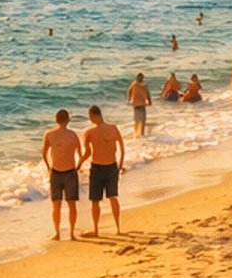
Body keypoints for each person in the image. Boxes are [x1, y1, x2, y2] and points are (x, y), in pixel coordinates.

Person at [81, 105, 124, 237]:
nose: (90, 119)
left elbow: (88, 153)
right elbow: (122, 149)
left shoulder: (89, 132)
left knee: (95, 200)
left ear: (94, 116)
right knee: (113, 197)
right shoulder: (113, 128)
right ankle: (118, 228)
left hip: (97, 168)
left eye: (90, 117)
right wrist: (120, 165)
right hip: (112, 166)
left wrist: (78, 164)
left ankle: (96, 230)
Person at [43, 110, 82, 241]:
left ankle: (57, 233)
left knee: (56, 205)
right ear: (67, 120)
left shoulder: (49, 134)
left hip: (56, 171)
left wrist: (48, 167)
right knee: (72, 204)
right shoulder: (73, 135)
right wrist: (79, 166)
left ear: (56, 119)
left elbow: (44, 152)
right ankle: (71, 233)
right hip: (70, 171)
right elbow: (80, 153)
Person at [127, 73, 151, 137]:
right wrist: (149, 101)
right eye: (141, 78)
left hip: (136, 104)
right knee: (142, 120)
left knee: (137, 120)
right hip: (141, 105)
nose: (142, 79)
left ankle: (136, 133)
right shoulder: (143, 86)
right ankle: (141, 134)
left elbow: (129, 91)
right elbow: (147, 94)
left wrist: (130, 99)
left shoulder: (134, 85)